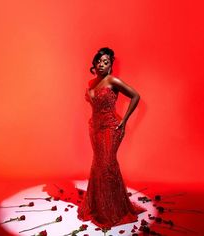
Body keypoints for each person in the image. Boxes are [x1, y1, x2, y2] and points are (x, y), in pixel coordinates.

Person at [77, 47, 145, 228]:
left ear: (110, 65)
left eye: (105, 62)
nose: (101, 64)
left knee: (108, 165)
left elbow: (135, 96)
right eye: (99, 61)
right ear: (94, 63)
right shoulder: (91, 83)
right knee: (99, 165)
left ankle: (114, 210)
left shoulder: (112, 80)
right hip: (95, 129)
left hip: (110, 127)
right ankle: (99, 207)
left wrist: (124, 121)